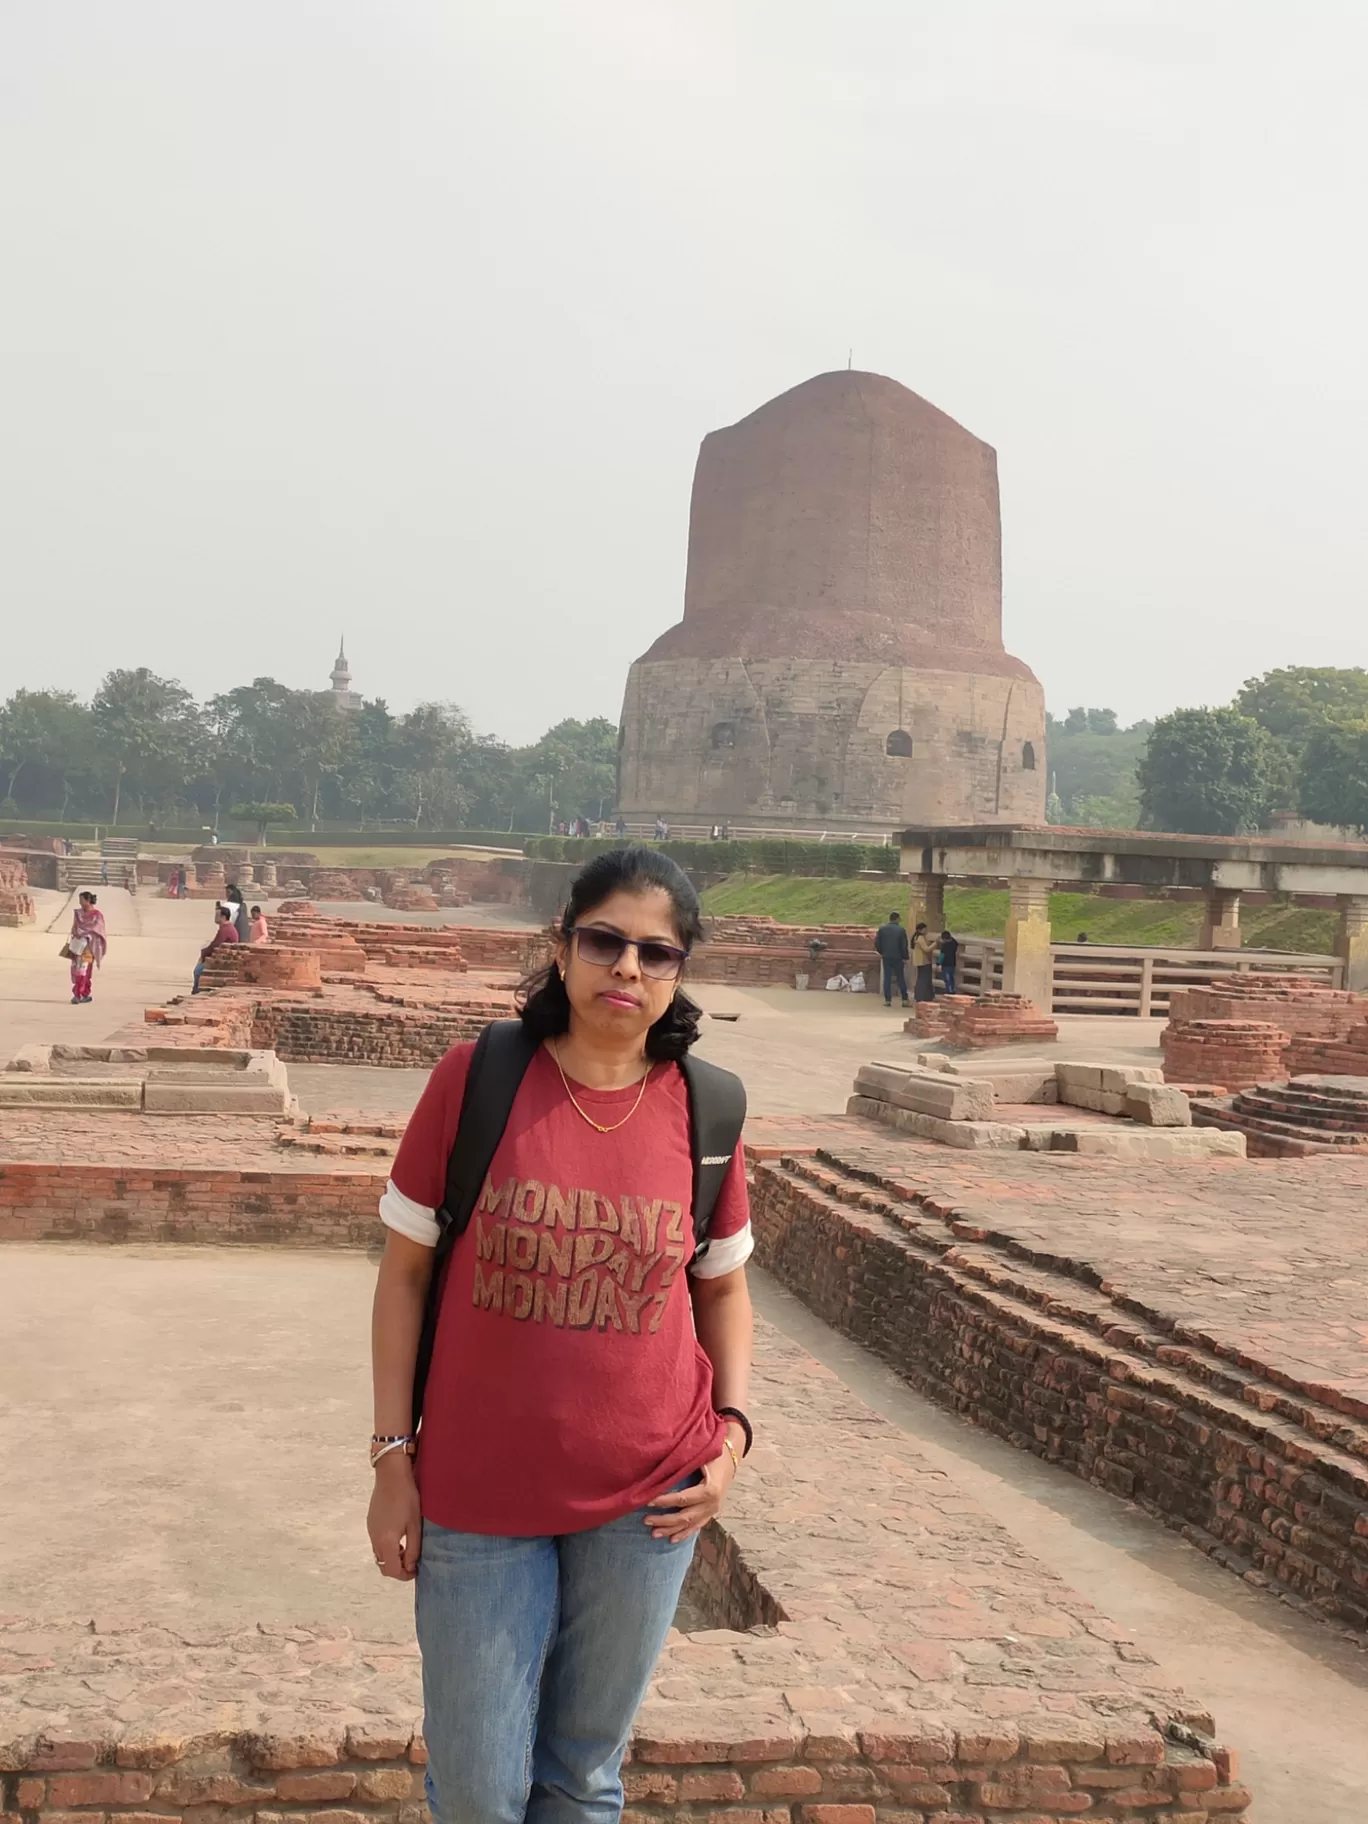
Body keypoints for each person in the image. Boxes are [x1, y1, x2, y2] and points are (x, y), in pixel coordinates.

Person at [367, 847, 753, 1824]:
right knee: (481, 1793)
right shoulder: (480, 1078)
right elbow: (405, 1273)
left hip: (649, 1499)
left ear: (680, 973)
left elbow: (723, 1288)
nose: (628, 968)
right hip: (479, 1491)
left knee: (584, 1779)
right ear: (563, 946)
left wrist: (735, 1433)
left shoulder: (708, 1109)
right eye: (605, 941)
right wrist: (391, 1457)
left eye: (657, 953)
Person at [65, 891, 107, 1004]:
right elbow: (74, 927)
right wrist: (76, 933)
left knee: (83, 970)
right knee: (78, 970)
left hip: (89, 946)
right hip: (78, 945)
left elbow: (99, 931)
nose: (80, 903)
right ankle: (83, 994)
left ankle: (78, 994)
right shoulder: (78, 913)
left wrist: (86, 935)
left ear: (88, 901)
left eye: (82, 900)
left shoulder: (97, 915)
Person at [192, 905, 239, 991]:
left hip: (224, 959)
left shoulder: (226, 930)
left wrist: (203, 954)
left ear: (223, 917)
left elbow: (215, 946)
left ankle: (196, 991)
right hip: (221, 956)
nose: (215, 918)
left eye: (217, 915)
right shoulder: (227, 928)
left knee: (198, 971)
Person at [873, 910, 911, 1007]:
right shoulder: (901, 930)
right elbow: (903, 945)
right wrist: (905, 956)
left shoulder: (882, 929)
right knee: (900, 978)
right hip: (897, 957)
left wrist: (882, 952)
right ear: (897, 919)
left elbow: (877, 943)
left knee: (887, 978)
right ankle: (904, 1000)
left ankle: (887, 1000)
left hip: (886, 956)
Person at [912, 922, 936, 1001]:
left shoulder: (917, 937)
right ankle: (921, 996)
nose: (926, 931)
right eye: (925, 929)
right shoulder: (920, 938)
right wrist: (935, 944)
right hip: (923, 961)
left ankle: (926, 996)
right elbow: (926, 949)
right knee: (923, 979)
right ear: (920, 930)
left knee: (923, 978)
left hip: (921, 961)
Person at [938, 928, 960, 997]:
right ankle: (952, 990)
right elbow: (956, 944)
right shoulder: (954, 943)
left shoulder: (944, 945)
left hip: (945, 965)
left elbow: (942, 955)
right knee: (951, 978)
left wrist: (939, 963)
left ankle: (949, 992)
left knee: (947, 979)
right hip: (952, 963)